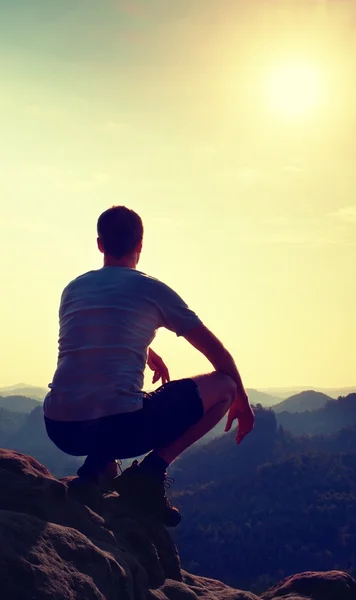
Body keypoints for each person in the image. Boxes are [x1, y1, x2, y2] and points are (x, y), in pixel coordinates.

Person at [43, 205, 255, 526]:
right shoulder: (151, 289)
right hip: (121, 427)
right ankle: (150, 473)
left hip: (60, 427)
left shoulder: (73, 289)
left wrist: (147, 349)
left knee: (115, 400)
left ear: (100, 245)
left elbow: (97, 340)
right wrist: (243, 400)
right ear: (140, 246)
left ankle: (95, 469)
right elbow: (216, 352)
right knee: (224, 387)